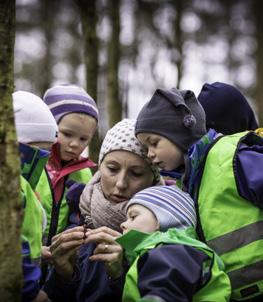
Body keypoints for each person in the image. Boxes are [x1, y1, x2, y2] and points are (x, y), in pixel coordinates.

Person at [135, 87, 263, 301]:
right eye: (145, 147)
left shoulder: (231, 157)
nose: (149, 154)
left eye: (154, 142)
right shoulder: (185, 185)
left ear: (180, 133)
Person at [43, 118, 161, 302]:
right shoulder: (76, 216)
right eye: (112, 169)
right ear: (99, 168)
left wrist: (119, 275)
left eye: (136, 173)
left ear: (152, 179)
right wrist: (64, 275)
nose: (121, 184)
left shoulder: (165, 235)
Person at [85, 185, 231, 302]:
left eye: (133, 216)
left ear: (163, 219)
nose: (123, 224)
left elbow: (163, 293)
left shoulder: (171, 251)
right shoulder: (175, 251)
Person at [36, 84, 98, 250]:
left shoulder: (84, 173)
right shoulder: (33, 163)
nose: (75, 144)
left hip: (60, 259)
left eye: (84, 139)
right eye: (67, 134)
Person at [13, 90, 58, 302]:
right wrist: (31, 290)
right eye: (37, 151)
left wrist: (37, 251)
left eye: (47, 151)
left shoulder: (24, 187)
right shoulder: (11, 186)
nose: (43, 160)